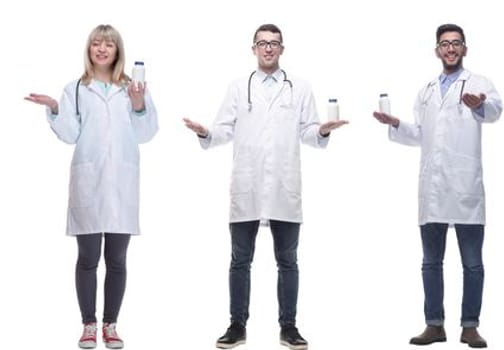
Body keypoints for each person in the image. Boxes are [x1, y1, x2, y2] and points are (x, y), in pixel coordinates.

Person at [184, 24, 348, 350]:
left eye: (274, 44)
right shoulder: (238, 87)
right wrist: (204, 132)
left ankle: (289, 327)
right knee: (239, 260)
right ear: (254, 49)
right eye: (262, 43)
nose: (268, 48)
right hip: (248, 186)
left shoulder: (299, 88)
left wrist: (324, 131)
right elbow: (222, 131)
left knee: (288, 261)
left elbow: (309, 134)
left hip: (284, 188)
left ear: (282, 49)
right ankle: (237, 325)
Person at [22, 24, 159, 350]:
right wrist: (55, 107)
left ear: (117, 51)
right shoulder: (76, 89)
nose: (101, 49)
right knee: (87, 257)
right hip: (89, 181)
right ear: (89, 49)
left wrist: (139, 104)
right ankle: (88, 325)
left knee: (117, 258)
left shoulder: (133, 87)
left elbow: (146, 133)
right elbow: (70, 133)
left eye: (108, 45)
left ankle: (111, 325)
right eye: (96, 43)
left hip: (122, 183)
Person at [369, 23, 502, 349]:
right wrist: (396, 124)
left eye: (456, 43)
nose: (451, 49)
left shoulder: (479, 83)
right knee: (431, 262)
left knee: (472, 263)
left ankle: (470, 326)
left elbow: (495, 111)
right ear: (437, 51)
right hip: (433, 189)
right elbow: (421, 134)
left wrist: (478, 105)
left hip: (465, 185)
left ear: (465, 49)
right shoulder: (426, 91)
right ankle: (434, 325)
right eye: (445, 44)